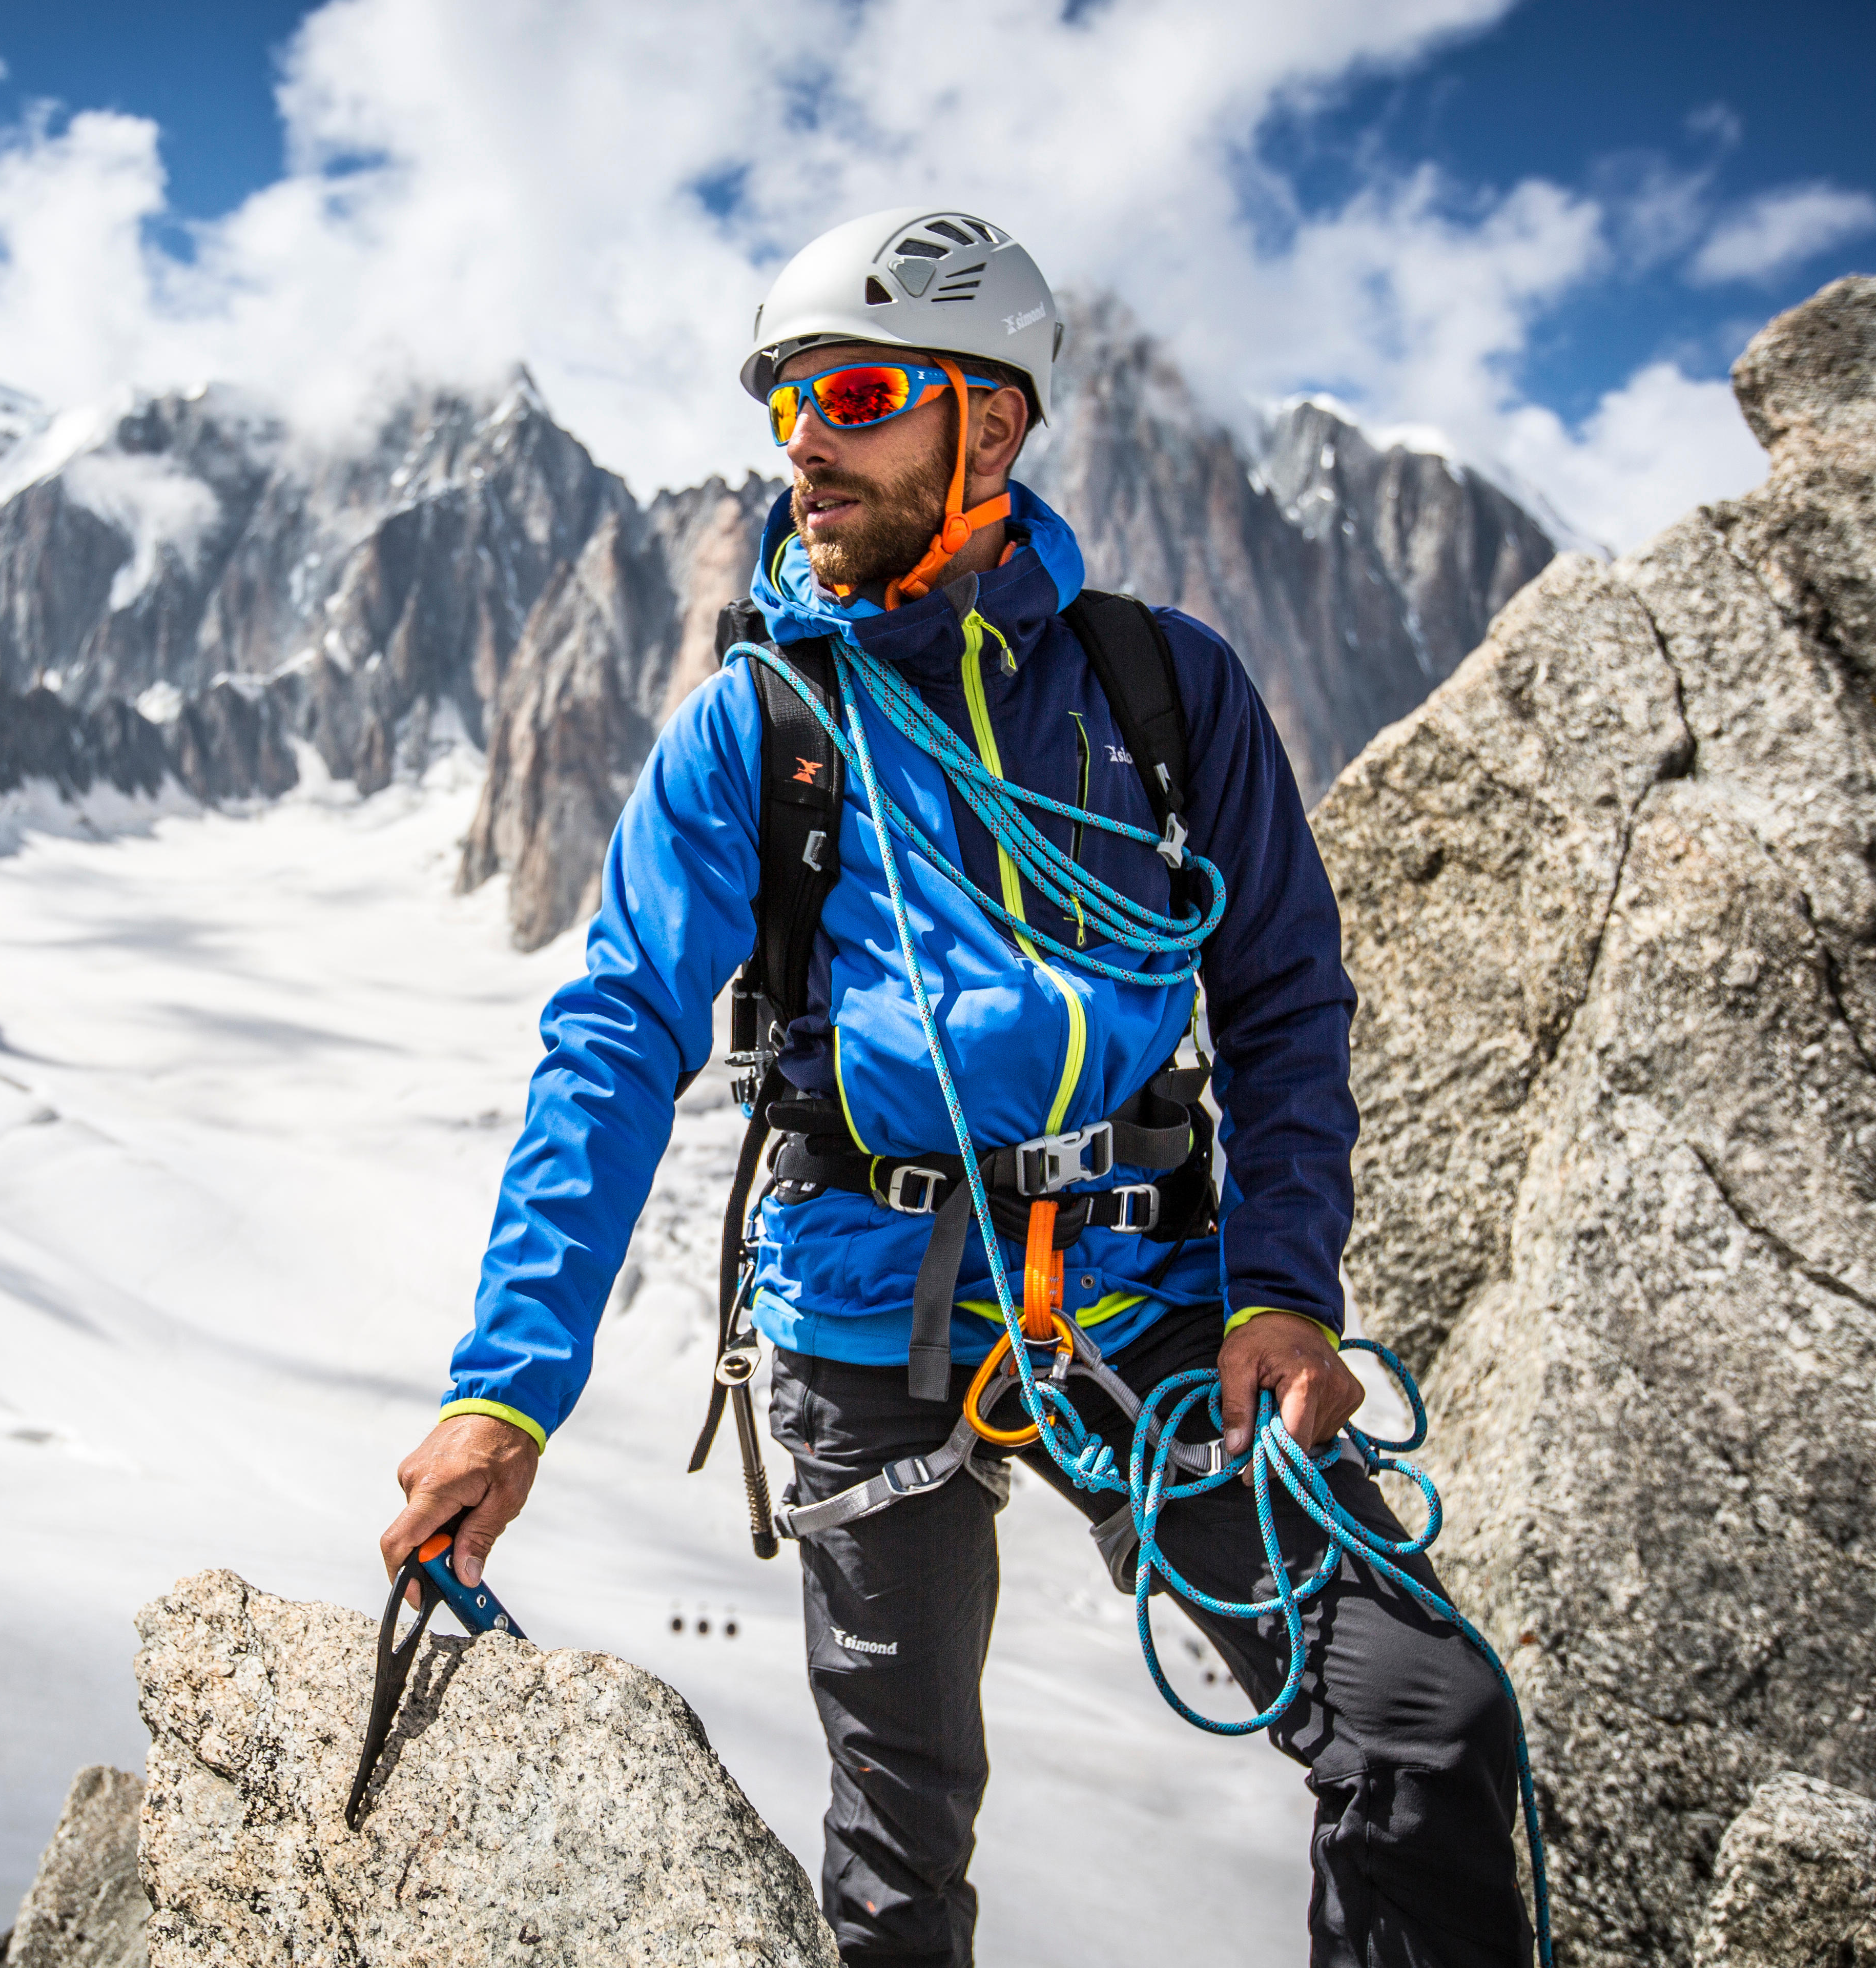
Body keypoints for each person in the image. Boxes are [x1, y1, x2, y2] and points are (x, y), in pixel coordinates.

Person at [380, 207, 1531, 1968]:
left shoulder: (1163, 688)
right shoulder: (760, 726)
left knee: (1423, 1726)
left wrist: (1290, 1282)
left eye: (851, 394)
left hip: (1153, 1295)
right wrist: (505, 1394)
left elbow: (1286, 993)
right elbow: (614, 1045)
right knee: (901, 1858)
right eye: (786, 406)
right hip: (870, 1304)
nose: (803, 444)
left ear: (989, 423)